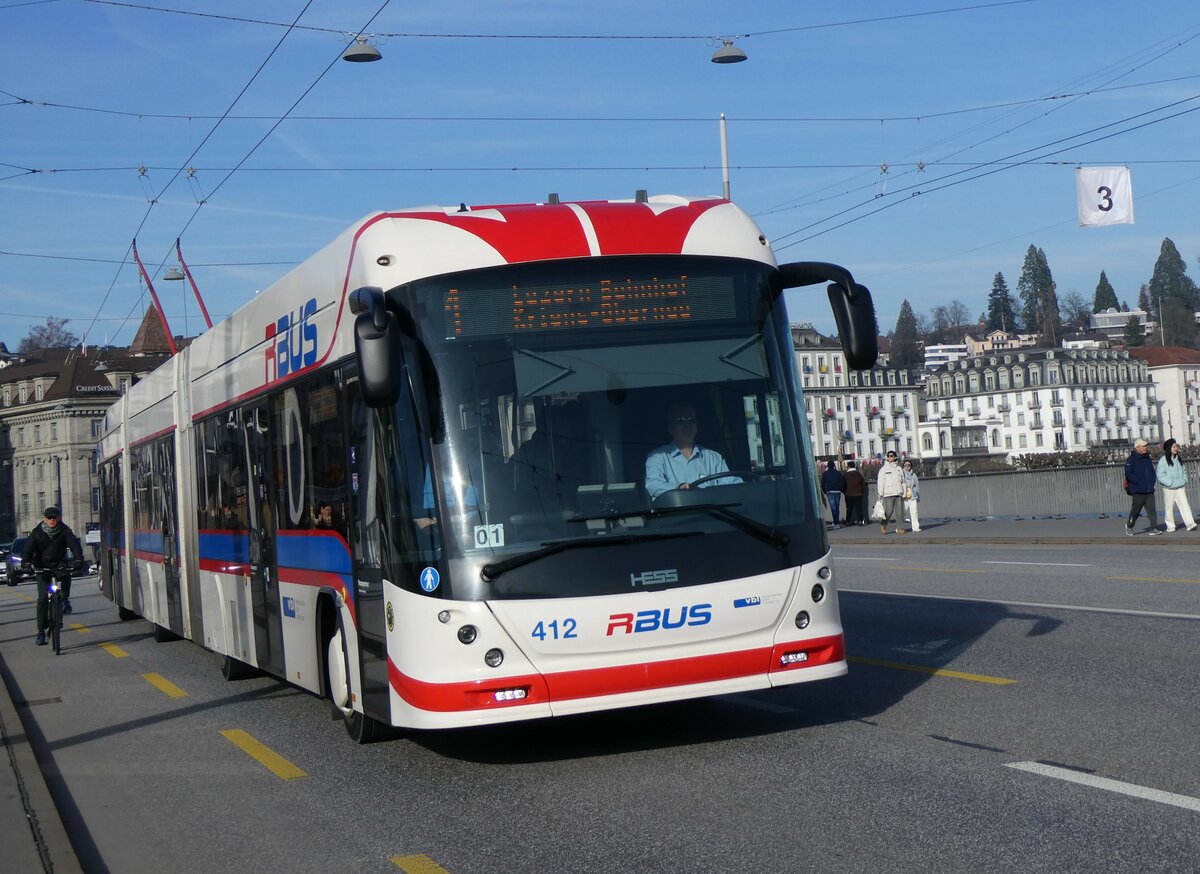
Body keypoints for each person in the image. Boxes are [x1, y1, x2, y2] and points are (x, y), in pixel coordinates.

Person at [645, 402, 737, 499]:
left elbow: (732, 485)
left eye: (691, 420)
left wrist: (748, 487)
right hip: (674, 514)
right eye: (681, 421)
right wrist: (678, 488)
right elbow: (653, 485)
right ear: (670, 429)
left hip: (713, 513)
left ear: (697, 428)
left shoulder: (714, 458)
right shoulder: (657, 457)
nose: (687, 425)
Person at [21, 507, 84, 646]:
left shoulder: (64, 530)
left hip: (59, 565)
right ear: (45, 518)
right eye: (49, 518)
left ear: (59, 517)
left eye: (54, 517)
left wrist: (79, 560)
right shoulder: (37, 533)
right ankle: (41, 632)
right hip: (42, 568)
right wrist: (26, 563)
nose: (52, 520)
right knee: (43, 599)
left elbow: (74, 545)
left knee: (67, 575)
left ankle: (65, 600)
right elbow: (27, 550)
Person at [1156, 438, 1196, 533]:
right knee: (1169, 507)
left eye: (1176, 446)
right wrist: (1170, 483)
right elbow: (1160, 475)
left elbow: (1184, 471)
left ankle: (1190, 523)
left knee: (1185, 505)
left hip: (1180, 487)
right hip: (1169, 488)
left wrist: (1184, 480)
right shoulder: (1163, 460)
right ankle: (1170, 526)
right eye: (1173, 447)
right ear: (1169, 448)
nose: (1176, 448)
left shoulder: (1179, 459)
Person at [1124, 437, 1161, 536]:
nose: (1145, 447)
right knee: (1136, 511)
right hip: (1138, 490)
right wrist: (1137, 481)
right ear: (1137, 447)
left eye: (1146, 446)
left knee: (1152, 510)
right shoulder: (1131, 459)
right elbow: (1128, 472)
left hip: (1149, 489)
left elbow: (1152, 471)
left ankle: (1154, 527)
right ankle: (1129, 525)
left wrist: (1152, 480)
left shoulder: (1147, 458)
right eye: (1143, 446)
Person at [876, 450, 907, 534]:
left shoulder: (899, 468)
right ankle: (883, 524)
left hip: (898, 493)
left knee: (900, 512)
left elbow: (903, 481)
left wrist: (904, 492)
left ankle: (899, 528)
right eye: (889, 456)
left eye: (892, 456)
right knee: (888, 511)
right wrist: (880, 493)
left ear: (895, 457)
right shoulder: (884, 469)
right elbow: (880, 482)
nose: (890, 457)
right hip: (888, 493)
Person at [821, 461, 846, 528]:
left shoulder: (825, 474)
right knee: (837, 507)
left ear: (828, 466)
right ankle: (836, 522)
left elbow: (823, 484)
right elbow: (842, 483)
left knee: (833, 508)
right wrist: (839, 488)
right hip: (837, 491)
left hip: (830, 492)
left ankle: (836, 522)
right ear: (834, 465)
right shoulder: (838, 473)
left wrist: (825, 491)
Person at [842, 461, 866, 525]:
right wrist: (862, 491)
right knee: (858, 507)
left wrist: (844, 492)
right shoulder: (858, 474)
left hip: (848, 494)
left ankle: (848, 521)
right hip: (858, 493)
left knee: (849, 508)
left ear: (848, 467)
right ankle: (860, 520)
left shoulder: (845, 475)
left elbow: (843, 485)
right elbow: (863, 483)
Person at [902, 459, 922, 533]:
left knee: (914, 512)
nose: (907, 466)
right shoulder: (901, 474)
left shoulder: (914, 475)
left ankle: (916, 527)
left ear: (911, 466)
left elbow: (917, 486)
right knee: (902, 513)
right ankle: (899, 528)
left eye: (909, 465)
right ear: (903, 466)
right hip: (904, 497)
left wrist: (918, 497)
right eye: (905, 465)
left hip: (913, 496)